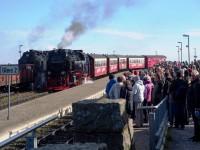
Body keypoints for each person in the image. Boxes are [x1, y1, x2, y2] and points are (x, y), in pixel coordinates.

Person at [187, 70, 200, 142]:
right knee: (196, 122)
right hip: (193, 105)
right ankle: (196, 136)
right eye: (191, 75)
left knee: (197, 122)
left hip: (196, 106)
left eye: (192, 76)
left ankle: (197, 137)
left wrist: (197, 107)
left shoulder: (197, 84)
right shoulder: (193, 83)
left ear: (196, 76)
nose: (191, 77)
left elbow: (197, 97)